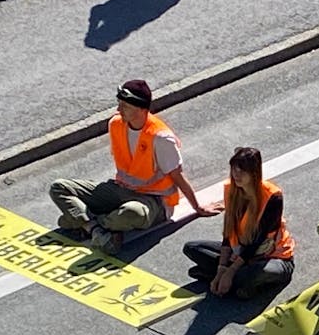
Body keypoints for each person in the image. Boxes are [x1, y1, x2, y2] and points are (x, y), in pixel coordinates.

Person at [49, 79, 215, 254]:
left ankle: (84, 220)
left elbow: (177, 176)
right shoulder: (115, 124)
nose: (119, 110)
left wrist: (197, 207)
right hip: (120, 190)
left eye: (125, 106)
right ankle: (95, 228)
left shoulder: (160, 137)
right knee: (59, 187)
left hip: (154, 202)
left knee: (131, 212)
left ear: (142, 109)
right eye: (119, 104)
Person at [180, 147, 294, 299]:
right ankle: (229, 281)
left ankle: (232, 280)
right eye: (234, 169)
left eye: (242, 171)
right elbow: (228, 235)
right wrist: (222, 269)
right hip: (239, 252)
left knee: (252, 273)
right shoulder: (231, 190)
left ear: (254, 173)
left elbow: (257, 241)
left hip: (270, 256)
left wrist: (231, 270)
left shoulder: (273, 197)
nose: (236, 174)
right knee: (192, 248)